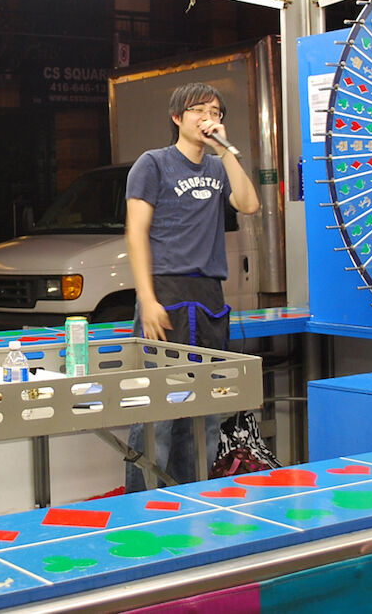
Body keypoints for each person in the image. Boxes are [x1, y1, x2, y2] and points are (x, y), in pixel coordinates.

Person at [124, 82, 260, 493]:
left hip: (209, 299)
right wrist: (146, 299)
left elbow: (249, 204)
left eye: (216, 112)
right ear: (176, 117)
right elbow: (136, 233)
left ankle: (194, 499)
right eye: (199, 110)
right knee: (158, 415)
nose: (209, 118)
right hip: (165, 295)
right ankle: (140, 508)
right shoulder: (153, 164)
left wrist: (225, 150)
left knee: (204, 413)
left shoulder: (219, 167)